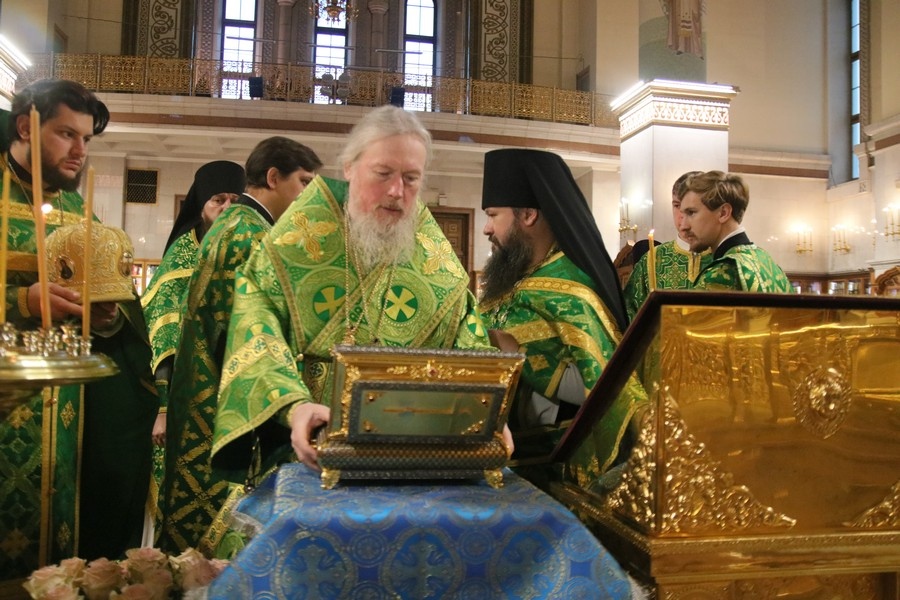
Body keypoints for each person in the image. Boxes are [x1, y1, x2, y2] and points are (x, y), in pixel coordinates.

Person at [209, 105, 497, 487]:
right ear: (349, 168)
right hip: (307, 454)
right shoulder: (292, 243)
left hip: (410, 460)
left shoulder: (436, 260)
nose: (396, 191)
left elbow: (470, 346)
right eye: (383, 174)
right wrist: (294, 407)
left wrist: (488, 414)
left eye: (411, 178)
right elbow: (255, 333)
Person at [0, 79, 157, 575]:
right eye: (67, 134)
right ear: (26, 127)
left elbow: (106, 301)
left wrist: (106, 317)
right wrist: (22, 300)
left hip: (67, 411)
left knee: (61, 537)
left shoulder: (75, 209)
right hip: (7, 402)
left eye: (86, 139)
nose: (80, 151)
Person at [156, 137, 322, 554]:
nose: (307, 195)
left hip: (210, 393)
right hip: (227, 405)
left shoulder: (238, 225)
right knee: (222, 543)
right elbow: (248, 331)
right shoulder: (250, 234)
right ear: (273, 177)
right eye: (303, 182)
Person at [478, 148, 646, 490]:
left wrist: (517, 355)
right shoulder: (512, 282)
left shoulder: (571, 288)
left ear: (528, 215)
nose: (486, 228)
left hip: (553, 466)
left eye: (493, 215)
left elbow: (603, 387)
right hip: (498, 453)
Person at [140, 160, 246, 543]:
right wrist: (163, 409)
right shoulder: (182, 259)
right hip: (186, 402)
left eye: (235, 200)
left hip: (234, 397)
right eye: (218, 200)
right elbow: (163, 340)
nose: (227, 208)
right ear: (201, 205)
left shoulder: (249, 250)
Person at [680, 170, 792, 292]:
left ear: (723, 213)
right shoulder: (767, 263)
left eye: (691, 213)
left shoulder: (722, 273)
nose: (683, 226)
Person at [623, 171, 713, 320]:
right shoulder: (652, 260)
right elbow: (629, 316)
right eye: (677, 205)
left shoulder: (724, 258)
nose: (682, 215)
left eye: (691, 209)